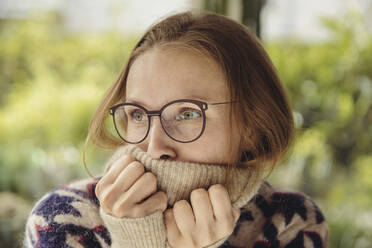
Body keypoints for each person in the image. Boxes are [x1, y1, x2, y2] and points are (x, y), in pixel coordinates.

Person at [24, 11, 328, 248]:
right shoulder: (61, 219)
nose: (154, 147)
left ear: (252, 126)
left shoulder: (291, 221)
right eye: (138, 115)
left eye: (186, 113)